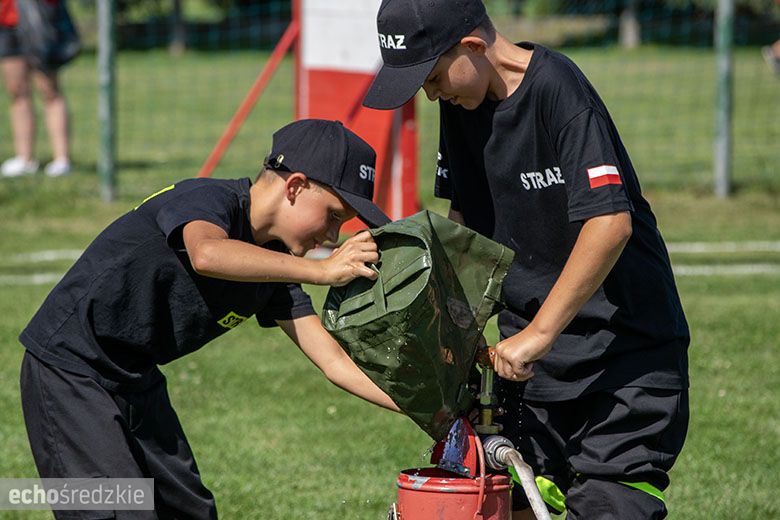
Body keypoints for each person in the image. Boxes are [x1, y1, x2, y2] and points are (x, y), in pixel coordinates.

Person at [364, 1, 690, 518]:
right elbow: (466, 228)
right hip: (529, 371)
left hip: (624, 356)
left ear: (472, 46)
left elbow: (610, 222)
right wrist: (450, 333)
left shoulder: (557, 88)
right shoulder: (462, 105)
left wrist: (538, 333)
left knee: (608, 503)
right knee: (487, 501)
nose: (430, 93)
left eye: (432, 77)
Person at [19, 119, 399, 519]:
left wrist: (426, 410)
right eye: (334, 216)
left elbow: (334, 361)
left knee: (189, 511)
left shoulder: (273, 266)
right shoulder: (207, 199)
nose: (334, 237)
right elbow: (207, 254)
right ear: (295, 187)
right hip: (69, 369)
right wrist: (321, 271)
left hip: (135, 377)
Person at [0, 0, 72, 177]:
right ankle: (25, 159)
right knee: (17, 92)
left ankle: (61, 160)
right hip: (6, 22)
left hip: (39, 17)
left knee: (50, 91)